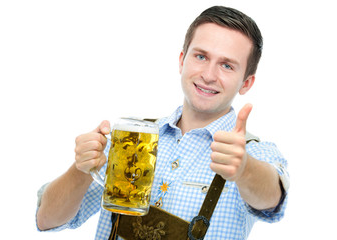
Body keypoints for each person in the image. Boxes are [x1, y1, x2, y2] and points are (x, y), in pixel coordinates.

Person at [36, 5, 289, 239]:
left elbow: (271, 198)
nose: (209, 75)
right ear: (182, 60)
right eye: (201, 57)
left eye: (227, 65)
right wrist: (82, 169)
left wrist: (244, 169)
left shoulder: (251, 152)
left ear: (246, 83)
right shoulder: (132, 140)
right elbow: (46, 219)